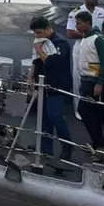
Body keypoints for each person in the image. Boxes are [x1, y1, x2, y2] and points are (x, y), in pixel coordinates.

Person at [29, 16, 75, 165]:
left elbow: (52, 63)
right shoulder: (41, 41)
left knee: (55, 116)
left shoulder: (60, 43)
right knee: (44, 118)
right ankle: (45, 147)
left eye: (40, 32)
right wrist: (31, 76)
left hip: (57, 85)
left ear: (49, 28)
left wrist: (39, 49)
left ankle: (67, 146)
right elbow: (37, 61)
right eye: (35, 33)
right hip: (43, 84)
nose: (38, 36)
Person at [72, 10, 104, 158]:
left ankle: (101, 142)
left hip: (93, 81)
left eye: (79, 23)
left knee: (85, 110)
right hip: (86, 79)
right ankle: (97, 141)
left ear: (88, 23)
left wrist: (100, 83)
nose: (77, 26)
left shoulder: (98, 39)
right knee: (90, 112)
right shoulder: (86, 38)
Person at [67, 0, 104, 120]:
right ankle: (78, 108)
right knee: (78, 78)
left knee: (94, 76)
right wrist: (87, 34)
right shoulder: (76, 12)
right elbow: (70, 33)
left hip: (96, 47)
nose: (95, 1)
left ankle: (93, 107)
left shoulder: (102, 12)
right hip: (81, 46)